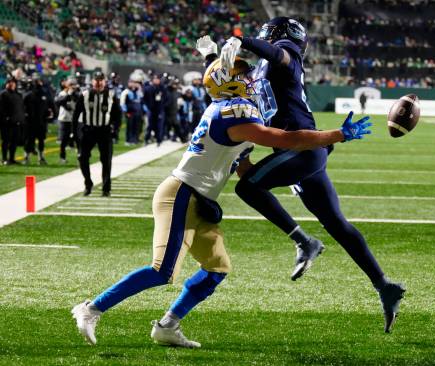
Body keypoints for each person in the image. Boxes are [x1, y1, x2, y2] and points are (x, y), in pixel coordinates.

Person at [71, 46, 372, 348]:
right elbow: (287, 139)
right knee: (163, 270)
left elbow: (245, 172)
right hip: (181, 194)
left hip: (199, 200)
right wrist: (336, 135)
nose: (253, 81)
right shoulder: (232, 114)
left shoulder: (232, 111)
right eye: (245, 77)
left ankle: (167, 326)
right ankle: (91, 309)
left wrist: (285, 177)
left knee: (217, 267)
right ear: (230, 84)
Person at [219, 17, 405, 332]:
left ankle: (305, 242)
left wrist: (243, 39)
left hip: (302, 148)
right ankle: (384, 285)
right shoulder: (264, 70)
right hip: (300, 153)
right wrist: (215, 55)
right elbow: (238, 76)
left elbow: (279, 55)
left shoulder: (283, 52)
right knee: (337, 224)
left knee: (247, 188)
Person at [72, 71, 121, 196]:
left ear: (104, 81)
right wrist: (74, 133)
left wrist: (115, 130)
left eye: (101, 80)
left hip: (104, 131)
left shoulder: (111, 95)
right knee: (82, 158)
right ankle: (88, 183)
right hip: (88, 130)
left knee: (106, 160)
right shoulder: (85, 95)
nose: (98, 82)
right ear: (92, 81)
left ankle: (106, 188)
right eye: (96, 80)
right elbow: (76, 115)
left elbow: (117, 115)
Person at [0, 76, 24, 165]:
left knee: (14, 142)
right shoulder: (3, 94)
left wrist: (21, 119)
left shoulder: (18, 95)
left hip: (17, 122)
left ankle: (12, 159)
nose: (11, 84)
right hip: (6, 123)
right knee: (6, 141)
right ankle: (4, 159)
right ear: (6, 84)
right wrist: (5, 119)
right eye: (9, 82)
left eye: (13, 82)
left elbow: (21, 108)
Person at [55, 78, 79, 163]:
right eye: (71, 85)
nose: (73, 87)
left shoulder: (76, 94)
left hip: (73, 119)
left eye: (73, 85)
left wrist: (74, 95)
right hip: (64, 119)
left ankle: (80, 156)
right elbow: (58, 102)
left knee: (77, 138)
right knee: (64, 140)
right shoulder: (62, 93)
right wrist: (68, 95)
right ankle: (62, 157)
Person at [120, 75, 147, 145]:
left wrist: (144, 111)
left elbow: (142, 102)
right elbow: (122, 103)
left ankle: (135, 139)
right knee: (130, 127)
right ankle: (128, 140)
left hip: (138, 112)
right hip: (130, 112)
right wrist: (125, 112)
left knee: (137, 126)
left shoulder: (139, 92)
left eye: (135, 83)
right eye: (131, 82)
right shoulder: (126, 92)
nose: (133, 84)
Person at [143, 74, 167, 146]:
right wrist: (147, 107)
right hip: (151, 110)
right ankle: (146, 139)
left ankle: (159, 140)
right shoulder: (148, 88)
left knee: (159, 126)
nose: (156, 80)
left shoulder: (162, 89)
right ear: (152, 80)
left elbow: (166, 99)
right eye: (155, 79)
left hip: (160, 110)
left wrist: (163, 106)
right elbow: (144, 99)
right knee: (149, 126)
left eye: (157, 79)